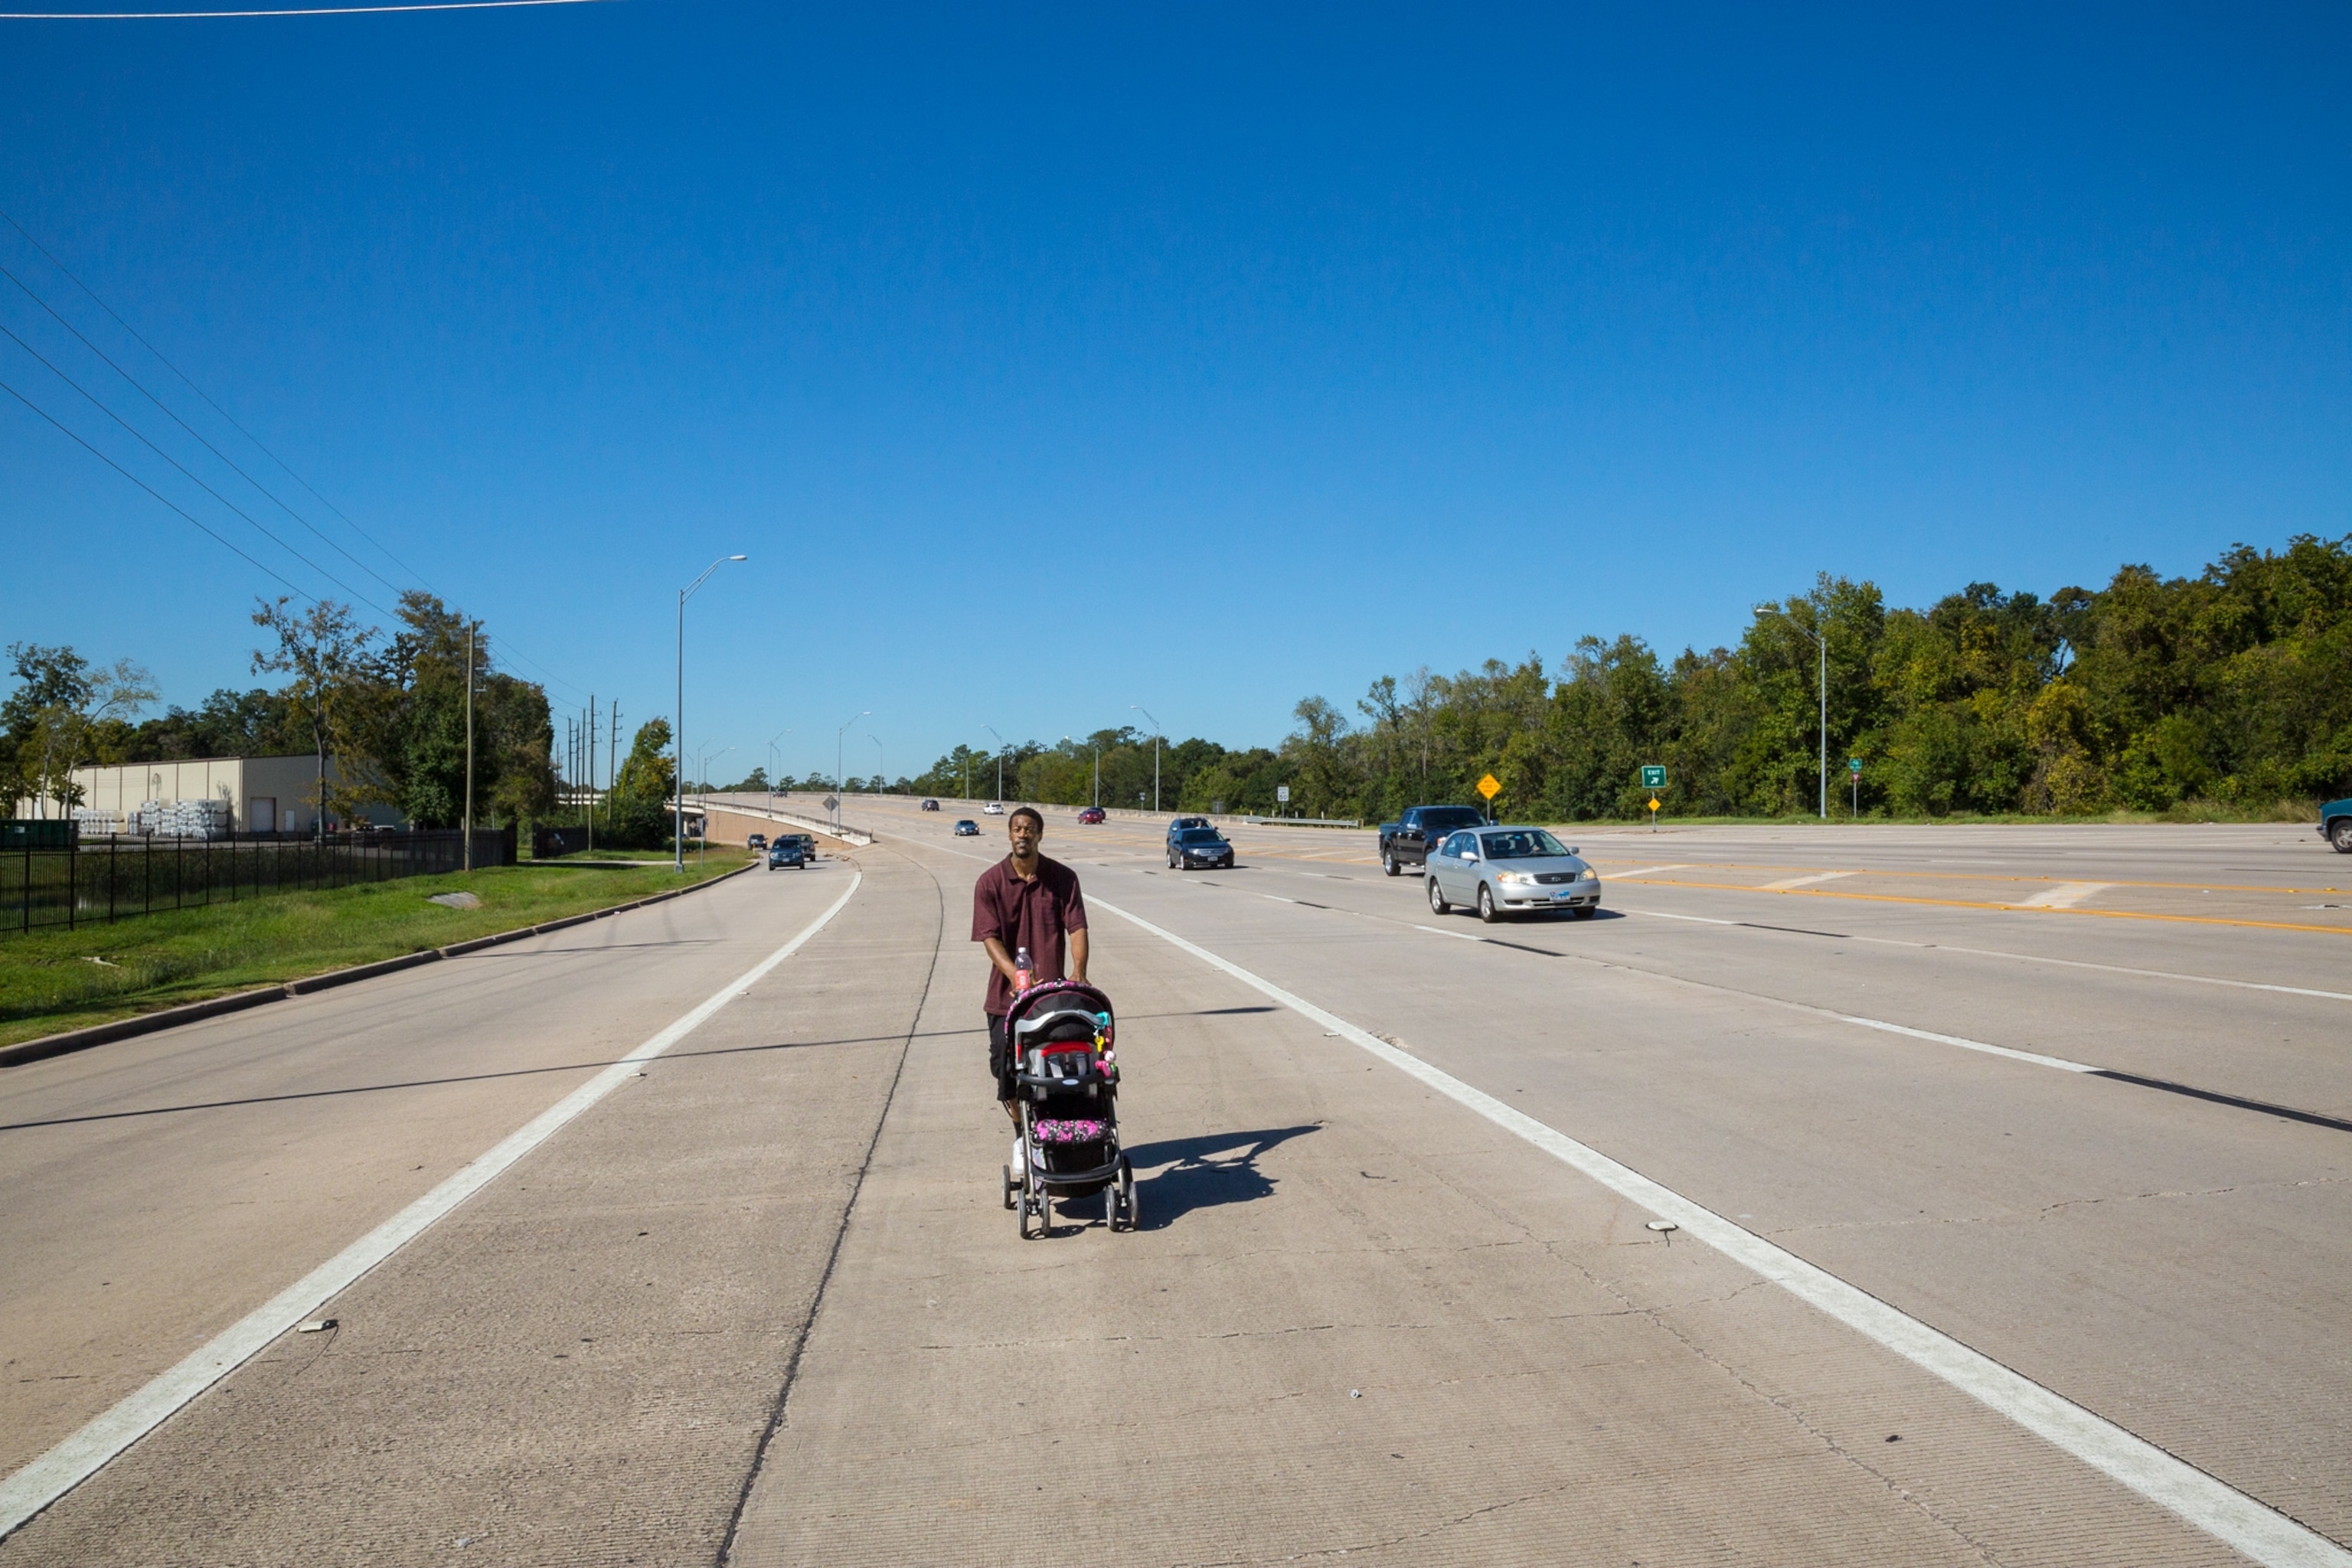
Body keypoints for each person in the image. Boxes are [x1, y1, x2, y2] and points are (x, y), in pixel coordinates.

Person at [972, 806, 1089, 1169]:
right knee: (1006, 1072)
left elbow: (1077, 927)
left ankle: (1062, 1134)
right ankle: (1023, 1135)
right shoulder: (990, 882)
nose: (1023, 834)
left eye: (1030, 829)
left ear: (1040, 835)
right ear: (1009, 835)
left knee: (1060, 1069)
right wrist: (1012, 974)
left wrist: (1079, 973)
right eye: (1017, 829)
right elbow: (988, 937)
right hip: (1005, 1001)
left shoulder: (1063, 878)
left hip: (1052, 997)